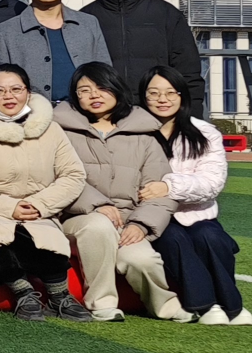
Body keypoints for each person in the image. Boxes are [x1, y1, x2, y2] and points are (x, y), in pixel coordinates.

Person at [0, 63, 88, 321]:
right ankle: (24, 293)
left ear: (28, 93)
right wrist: (9, 208)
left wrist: (39, 205)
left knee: (45, 237)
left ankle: (60, 296)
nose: (8, 96)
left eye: (16, 89)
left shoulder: (51, 129)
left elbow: (73, 174)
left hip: (38, 209)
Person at [55, 61, 180, 323]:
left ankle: (164, 306)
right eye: (84, 90)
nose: (94, 95)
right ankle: (101, 303)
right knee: (97, 226)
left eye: (102, 87)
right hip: (76, 218)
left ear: (116, 89)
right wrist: (97, 204)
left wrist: (141, 225)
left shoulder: (144, 136)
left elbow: (158, 190)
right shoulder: (60, 132)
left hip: (127, 221)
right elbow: (58, 178)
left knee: (142, 260)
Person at [141, 66, 251, 325]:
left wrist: (168, 187)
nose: (163, 99)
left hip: (197, 213)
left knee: (211, 237)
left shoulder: (205, 132)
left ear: (182, 95)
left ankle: (232, 307)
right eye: (154, 93)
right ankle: (205, 305)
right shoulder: (135, 133)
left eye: (171, 92)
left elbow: (212, 183)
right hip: (154, 214)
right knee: (173, 238)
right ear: (143, 97)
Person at [83, 0, 205, 106]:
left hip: (157, 110)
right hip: (104, 112)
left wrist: (191, 113)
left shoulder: (166, 14)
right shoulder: (85, 18)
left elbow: (188, 71)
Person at [0, 0, 110, 103]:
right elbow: (0, 82)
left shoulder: (88, 23)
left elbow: (105, 71)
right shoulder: (6, 31)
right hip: (32, 111)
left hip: (85, 109)